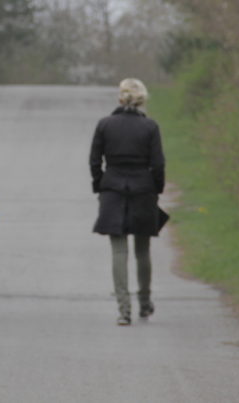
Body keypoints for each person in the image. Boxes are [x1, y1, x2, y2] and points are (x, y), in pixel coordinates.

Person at [89, 78, 167, 326]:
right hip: (143, 190)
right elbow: (158, 164)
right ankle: (145, 303)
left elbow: (94, 161)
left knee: (118, 250)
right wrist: (157, 188)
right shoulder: (150, 127)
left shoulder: (105, 124)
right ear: (142, 99)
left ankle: (124, 309)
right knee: (142, 251)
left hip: (112, 189)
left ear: (120, 98)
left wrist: (100, 184)